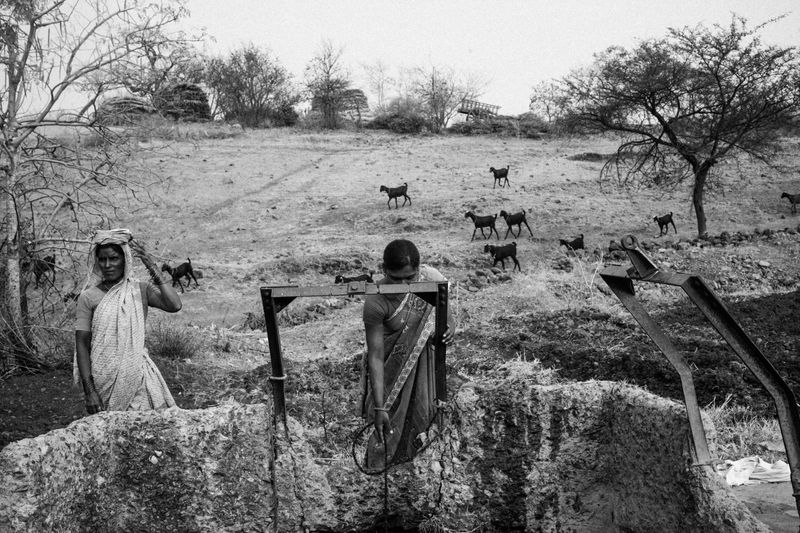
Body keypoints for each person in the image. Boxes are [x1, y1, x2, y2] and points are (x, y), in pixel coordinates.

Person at [361, 239, 455, 471]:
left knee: (425, 418)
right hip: (389, 373)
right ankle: (379, 472)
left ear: (419, 269)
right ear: (384, 270)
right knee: (387, 430)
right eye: (395, 279)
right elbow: (375, 356)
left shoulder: (431, 280)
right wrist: (380, 407)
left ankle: (423, 470)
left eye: (410, 278)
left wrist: (450, 327)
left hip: (424, 366)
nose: (403, 285)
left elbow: (446, 314)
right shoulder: (376, 300)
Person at [74, 229, 182, 414]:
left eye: (114, 258)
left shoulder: (140, 290)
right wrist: (89, 391)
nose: (107, 265)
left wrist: (152, 267)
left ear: (125, 259)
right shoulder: (88, 297)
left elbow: (174, 305)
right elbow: (82, 345)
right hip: (103, 382)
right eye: (102, 259)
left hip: (138, 378)